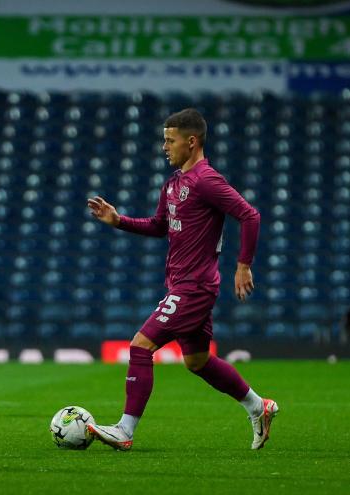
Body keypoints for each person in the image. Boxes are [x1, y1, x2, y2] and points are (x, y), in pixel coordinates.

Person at [85, 108, 277, 451]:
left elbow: (250, 215)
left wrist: (243, 265)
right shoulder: (173, 183)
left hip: (195, 286)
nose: (164, 147)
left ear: (192, 142)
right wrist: (118, 220)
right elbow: (159, 226)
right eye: (164, 140)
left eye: (170, 140)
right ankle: (258, 406)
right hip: (181, 284)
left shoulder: (206, 180)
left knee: (140, 346)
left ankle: (125, 430)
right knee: (197, 361)